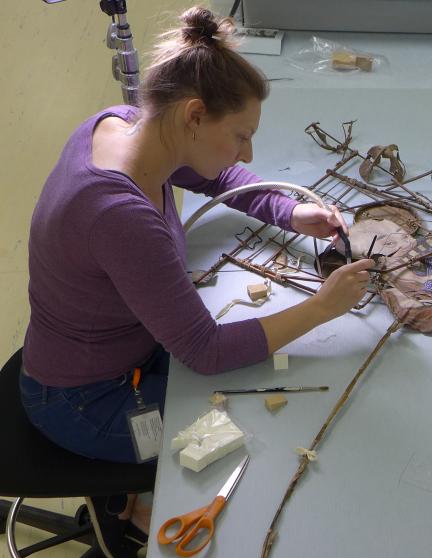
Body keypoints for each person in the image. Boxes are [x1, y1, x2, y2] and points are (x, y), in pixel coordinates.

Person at [19, 6, 373, 484]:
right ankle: (131, 508)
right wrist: (322, 308)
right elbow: (205, 351)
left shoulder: (122, 125)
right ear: (194, 116)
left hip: (128, 345)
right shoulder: (121, 217)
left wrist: (288, 211)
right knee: (235, 431)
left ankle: (126, 502)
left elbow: (219, 175)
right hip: (85, 397)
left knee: (252, 380)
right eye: (240, 136)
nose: (247, 152)